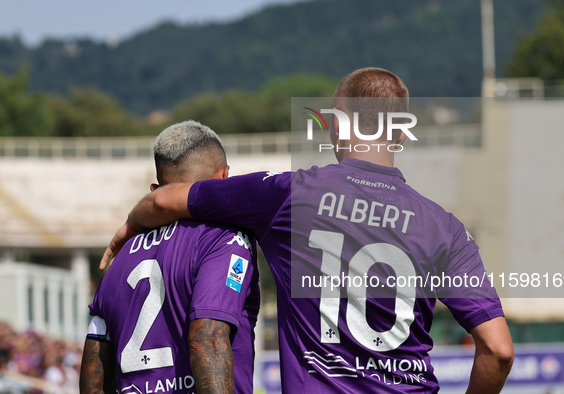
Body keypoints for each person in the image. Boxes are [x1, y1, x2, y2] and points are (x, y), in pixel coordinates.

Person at [100, 68, 514, 393]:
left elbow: (164, 200)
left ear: (338, 124)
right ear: (400, 132)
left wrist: (129, 227)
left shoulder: (289, 194)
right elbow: (497, 351)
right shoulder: (444, 227)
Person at [81, 121, 260, 394]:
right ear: (224, 178)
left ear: (155, 191)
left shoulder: (120, 259)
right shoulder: (223, 238)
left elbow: (95, 362)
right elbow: (208, 339)